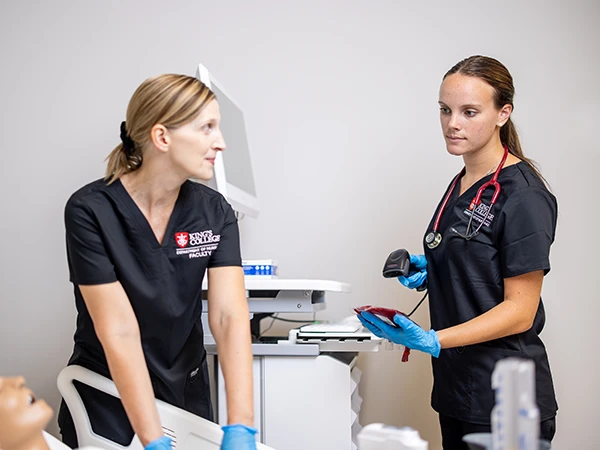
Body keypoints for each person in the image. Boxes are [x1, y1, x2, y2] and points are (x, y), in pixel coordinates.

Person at [357, 55, 558, 449]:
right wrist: (431, 269)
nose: (453, 123)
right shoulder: (464, 180)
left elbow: (520, 311)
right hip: (456, 390)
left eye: (469, 112)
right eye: (445, 110)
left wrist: (434, 340)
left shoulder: (525, 197)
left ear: (503, 113)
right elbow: (478, 262)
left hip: (504, 401)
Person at [58, 74, 257, 450]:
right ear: (162, 137)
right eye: (208, 128)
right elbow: (118, 329)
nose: (221, 143)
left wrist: (241, 427)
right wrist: (153, 441)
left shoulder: (214, 212)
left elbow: (229, 316)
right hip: (109, 397)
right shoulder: (90, 211)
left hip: (187, 390)